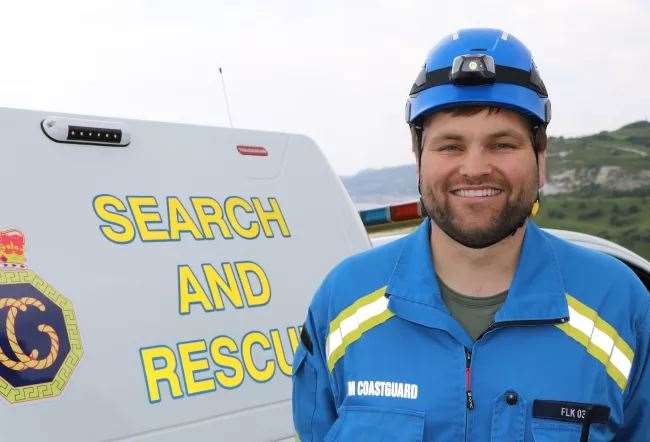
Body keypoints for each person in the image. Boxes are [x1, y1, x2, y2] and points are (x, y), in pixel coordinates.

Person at [292, 28, 649, 441]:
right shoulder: (342, 302)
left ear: (541, 158)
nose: (475, 168)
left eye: (502, 144)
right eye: (450, 146)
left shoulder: (619, 304)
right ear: (418, 159)